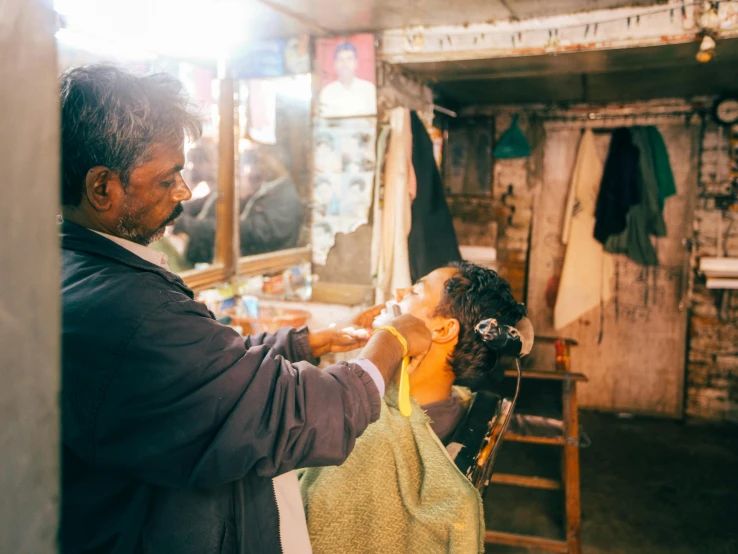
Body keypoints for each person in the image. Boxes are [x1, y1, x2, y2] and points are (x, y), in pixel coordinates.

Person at [59, 65, 431, 554]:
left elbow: (196, 372)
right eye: (169, 177)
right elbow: (293, 415)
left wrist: (303, 342)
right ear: (103, 187)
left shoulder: (70, 265)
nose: (185, 191)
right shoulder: (130, 311)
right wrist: (392, 343)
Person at [300, 262, 528, 554]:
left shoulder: (375, 442)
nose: (398, 292)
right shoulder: (450, 402)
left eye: (415, 291)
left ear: (443, 329)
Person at [173, 145, 304, 263]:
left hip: (264, 268)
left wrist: (189, 225)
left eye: (264, 161)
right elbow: (198, 205)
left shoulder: (284, 197)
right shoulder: (269, 189)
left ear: (278, 160)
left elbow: (253, 231)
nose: (260, 166)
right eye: (258, 161)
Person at [319, 41, 377, 118]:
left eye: (349, 59)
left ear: (356, 63)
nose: (345, 63)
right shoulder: (327, 92)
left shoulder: (369, 89)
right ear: (335, 64)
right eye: (340, 59)